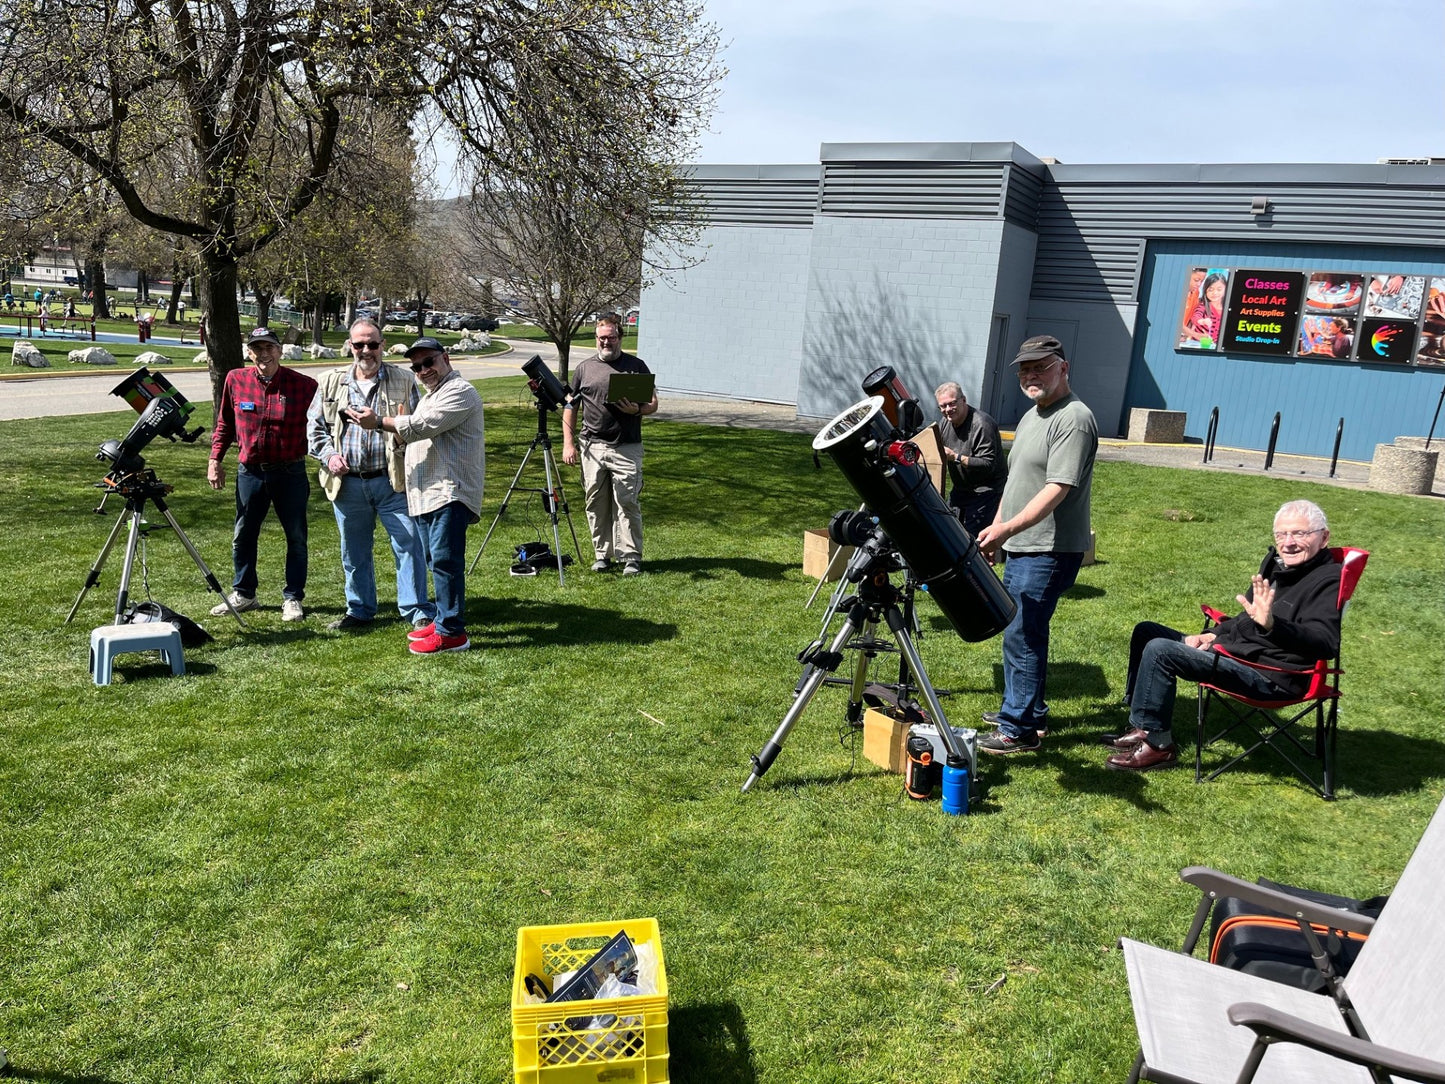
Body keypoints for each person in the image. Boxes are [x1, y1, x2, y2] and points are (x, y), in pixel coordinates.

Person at [1104, 500, 1342, 772]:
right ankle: (1143, 725)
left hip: (1271, 676)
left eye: (1299, 533)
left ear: (1324, 537)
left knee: (1160, 650)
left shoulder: (1327, 580)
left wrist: (1273, 626)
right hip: (1238, 654)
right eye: (1281, 534)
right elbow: (1245, 618)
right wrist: (1211, 635)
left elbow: (1325, 644)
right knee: (1146, 632)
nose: (1288, 543)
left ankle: (1158, 747)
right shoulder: (1278, 566)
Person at [975, 334, 1098, 754]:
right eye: (1025, 370)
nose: (1031, 376)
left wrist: (1007, 530)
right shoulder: (1033, 416)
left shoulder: (1074, 418)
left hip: (1049, 548)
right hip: (1023, 543)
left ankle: (1019, 728)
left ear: (1063, 368)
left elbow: (1057, 488)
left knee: (1023, 633)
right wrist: (998, 528)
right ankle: (1027, 710)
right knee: (1020, 629)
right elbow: (1016, 483)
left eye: (1040, 367)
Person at [345, 338, 485, 654]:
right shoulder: (431, 396)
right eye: (417, 366)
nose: (423, 370)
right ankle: (445, 618)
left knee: (446, 562)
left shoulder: (460, 391)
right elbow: (413, 436)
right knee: (436, 560)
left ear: (446, 358)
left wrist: (379, 422)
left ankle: (452, 633)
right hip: (426, 492)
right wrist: (399, 434)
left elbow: (423, 426)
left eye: (428, 362)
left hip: (449, 491)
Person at [306, 319, 434, 632]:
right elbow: (315, 429)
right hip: (348, 484)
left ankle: (416, 610)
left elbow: (418, 427)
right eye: (359, 344)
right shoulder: (330, 381)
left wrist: (396, 435)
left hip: (393, 481)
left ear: (382, 345)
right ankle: (360, 610)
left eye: (373, 344)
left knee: (409, 544)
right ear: (350, 346)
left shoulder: (404, 379)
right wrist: (329, 456)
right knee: (354, 551)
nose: (366, 350)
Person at [208, 327, 318, 620]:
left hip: (290, 472)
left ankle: (293, 597)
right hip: (250, 472)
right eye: (257, 348)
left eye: (269, 347)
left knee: (296, 537)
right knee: (243, 535)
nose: (263, 354)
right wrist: (215, 459)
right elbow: (224, 423)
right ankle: (244, 594)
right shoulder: (236, 379)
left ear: (280, 351)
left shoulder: (305, 385)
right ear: (249, 353)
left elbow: (320, 426)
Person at [561, 313, 658, 575]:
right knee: (595, 502)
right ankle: (602, 554)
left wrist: (637, 410)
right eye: (602, 338)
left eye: (611, 338)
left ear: (620, 337)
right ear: (596, 338)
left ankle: (631, 557)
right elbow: (570, 407)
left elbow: (653, 403)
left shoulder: (636, 366)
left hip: (626, 446)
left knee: (627, 501)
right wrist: (568, 444)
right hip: (592, 447)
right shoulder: (584, 368)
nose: (606, 342)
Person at [934, 381, 1007, 537]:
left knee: (974, 539)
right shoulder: (945, 423)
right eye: (943, 406)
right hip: (961, 488)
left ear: (964, 400)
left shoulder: (982, 424)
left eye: (952, 403)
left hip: (986, 491)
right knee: (948, 531)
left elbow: (987, 463)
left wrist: (956, 457)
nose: (948, 409)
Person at [1181, 272, 1227, 347]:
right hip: (1198, 343)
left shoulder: (1227, 309)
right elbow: (1195, 317)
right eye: (1210, 290)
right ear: (1205, 290)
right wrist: (1202, 321)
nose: (1215, 293)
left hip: (1215, 345)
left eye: (1219, 289)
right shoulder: (1204, 306)